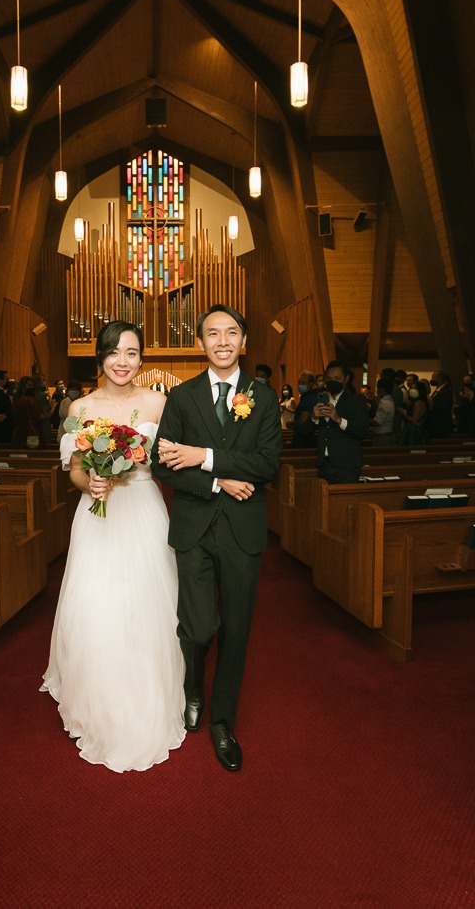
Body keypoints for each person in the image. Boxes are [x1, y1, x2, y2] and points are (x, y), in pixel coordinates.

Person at [41, 321, 183, 773]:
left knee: (147, 607)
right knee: (96, 606)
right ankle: (98, 698)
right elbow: (75, 471)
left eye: (133, 353)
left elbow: (171, 463)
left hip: (142, 506)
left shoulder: (158, 403)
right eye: (114, 353)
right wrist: (91, 482)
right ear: (100, 357)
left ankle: (147, 697)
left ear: (142, 359)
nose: (123, 361)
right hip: (98, 512)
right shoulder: (81, 407)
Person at [153, 304, 282, 772]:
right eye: (212, 333)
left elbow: (267, 466)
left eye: (231, 333)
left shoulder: (262, 398)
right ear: (201, 342)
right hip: (193, 524)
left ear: (244, 341)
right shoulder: (182, 397)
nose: (222, 341)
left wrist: (204, 456)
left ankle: (223, 721)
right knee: (199, 625)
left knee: (238, 629)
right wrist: (217, 479)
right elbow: (160, 462)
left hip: (243, 530)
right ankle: (192, 687)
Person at [314, 361, 369, 484]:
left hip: (347, 465)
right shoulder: (320, 398)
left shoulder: (356, 400)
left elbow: (363, 431)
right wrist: (314, 417)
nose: (333, 381)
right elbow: (305, 431)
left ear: (346, 379)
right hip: (324, 464)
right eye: (329, 378)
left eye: (337, 378)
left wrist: (339, 420)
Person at [289, 369, 319, 448]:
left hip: (303, 440)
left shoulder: (308, 399)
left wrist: (292, 423)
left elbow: (303, 421)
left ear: (311, 384)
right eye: (298, 383)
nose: (299, 385)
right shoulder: (311, 397)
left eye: (302, 383)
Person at [11, 377, 44, 447]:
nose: (31, 388)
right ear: (23, 387)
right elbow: (37, 417)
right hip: (30, 432)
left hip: (19, 433)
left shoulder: (18, 399)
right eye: (29, 385)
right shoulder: (30, 400)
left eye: (32, 386)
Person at [426, 371, 454, 439]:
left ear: (440, 378)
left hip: (441, 424)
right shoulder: (438, 391)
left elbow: (442, 407)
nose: (432, 380)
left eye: (433, 378)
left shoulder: (446, 391)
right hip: (436, 423)